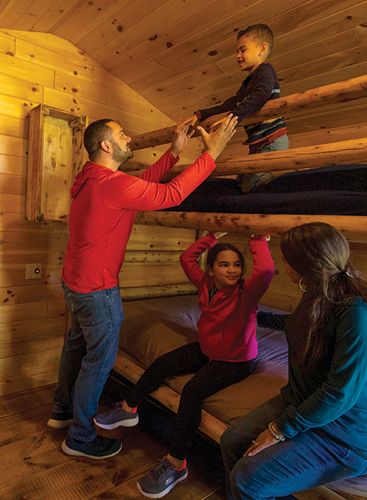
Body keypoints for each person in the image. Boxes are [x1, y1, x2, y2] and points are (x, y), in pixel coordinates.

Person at [46, 114, 239, 460]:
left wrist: (174, 153)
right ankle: (80, 437)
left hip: (74, 283)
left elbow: (140, 187)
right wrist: (212, 154)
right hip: (97, 291)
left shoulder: (93, 179)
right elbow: (171, 193)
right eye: (122, 134)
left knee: (75, 348)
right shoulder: (111, 184)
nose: (129, 138)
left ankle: (61, 411)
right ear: (106, 145)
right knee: (97, 363)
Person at [94, 231, 274, 497]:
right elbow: (187, 258)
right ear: (210, 269)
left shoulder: (246, 294)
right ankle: (129, 407)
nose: (233, 270)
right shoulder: (204, 283)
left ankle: (176, 463)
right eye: (224, 264)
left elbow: (267, 271)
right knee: (162, 363)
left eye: (237, 264)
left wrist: (258, 241)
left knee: (192, 392)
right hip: (208, 348)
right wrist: (211, 236)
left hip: (235, 360)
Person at [220, 222, 367, 500]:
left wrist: (279, 430)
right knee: (231, 440)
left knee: (246, 478)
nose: (281, 265)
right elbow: (302, 324)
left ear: (305, 265)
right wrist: (256, 317)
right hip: (302, 401)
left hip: (342, 433)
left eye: (285, 260)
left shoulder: (354, 311)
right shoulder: (318, 291)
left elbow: (340, 392)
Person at [185, 23, 288, 193]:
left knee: (249, 187)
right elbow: (229, 104)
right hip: (258, 144)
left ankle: (275, 181)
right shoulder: (247, 84)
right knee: (240, 182)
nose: (238, 56)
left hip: (271, 140)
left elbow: (261, 94)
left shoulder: (265, 71)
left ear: (262, 49)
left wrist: (232, 117)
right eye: (237, 52)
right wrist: (200, 114)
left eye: (243, 50)